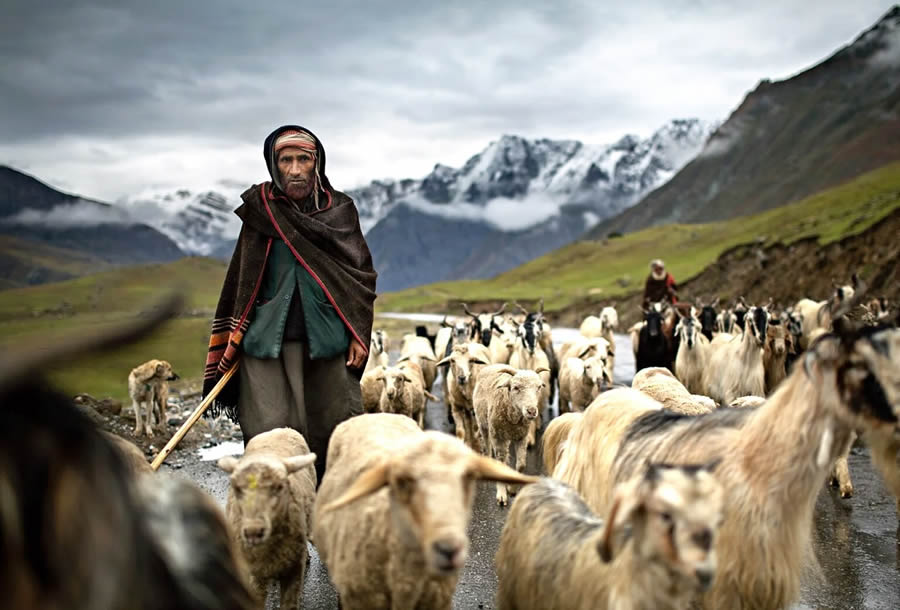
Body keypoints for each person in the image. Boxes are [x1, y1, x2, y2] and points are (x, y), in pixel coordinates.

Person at [203, 125, 377, 482]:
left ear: (317, 163)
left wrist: (358, 332)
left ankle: (331, 518)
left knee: (334, 431)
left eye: (303, 159)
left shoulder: (340, 211)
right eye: (286, 160)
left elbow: (359, 278)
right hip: (266, 342)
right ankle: (279, 518)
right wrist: (235, 339)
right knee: (271, 437)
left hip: (327, 340)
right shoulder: (260, 210)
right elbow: (243, 280)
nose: (295, 169)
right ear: (274, 163)